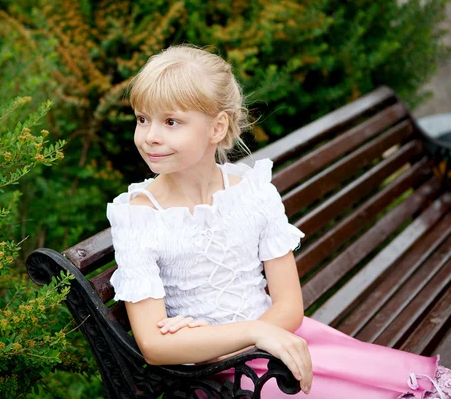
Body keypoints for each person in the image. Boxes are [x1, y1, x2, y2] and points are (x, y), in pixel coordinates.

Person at [106, 44, 451, 398]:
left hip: (275, 342)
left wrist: (229, 336)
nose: (150, 136)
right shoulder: (138, 217)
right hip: (221, 379)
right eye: (143, 119)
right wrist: (251, 336)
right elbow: (153, 344)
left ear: (216, 127)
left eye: (171, 122)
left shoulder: (252, 193)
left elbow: (289, 307)